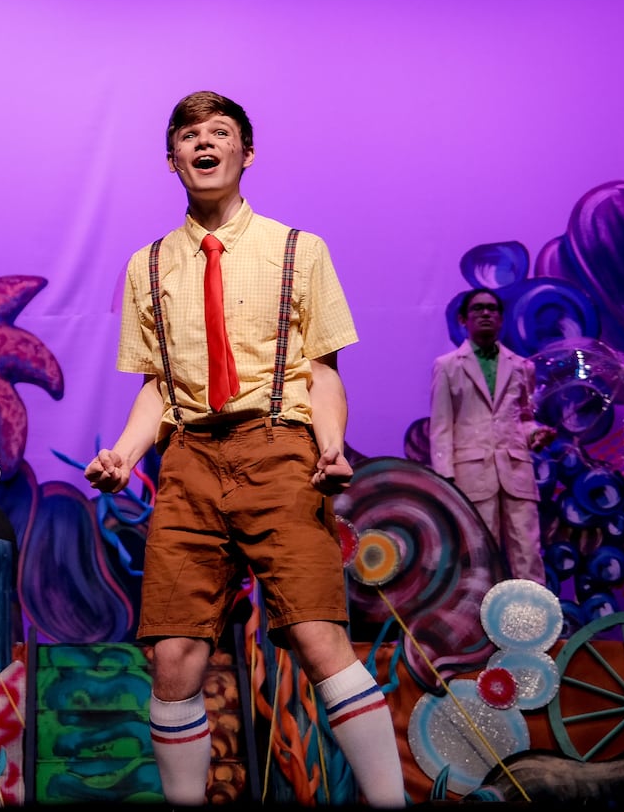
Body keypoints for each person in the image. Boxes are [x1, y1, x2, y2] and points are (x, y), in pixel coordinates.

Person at [85, 91, 404, 807]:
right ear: (172, 159)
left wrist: (330, 444)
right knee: (175, 654)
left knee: (321, 638)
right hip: (190, 461)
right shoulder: (148, 264)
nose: (204, 144)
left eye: (219, 133)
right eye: (189, 135)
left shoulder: (299, 248)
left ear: (245, 152)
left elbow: (323, 370)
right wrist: (127, 453)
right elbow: (156, 386)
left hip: (280, 450)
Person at [429, 288, 553, 582]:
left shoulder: (523, 366)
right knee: (481, 556)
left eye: (492, 309)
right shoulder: (448, 367)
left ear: (501, 318)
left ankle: (536, 624)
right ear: (463, 319)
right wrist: (446, 480)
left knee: (528, 553)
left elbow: (522, 418)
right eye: (478, 309)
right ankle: (482, 625)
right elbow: (441, 426)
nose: (486, 314)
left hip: (516, 471)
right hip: (472, 474)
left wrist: (535, 433)